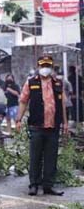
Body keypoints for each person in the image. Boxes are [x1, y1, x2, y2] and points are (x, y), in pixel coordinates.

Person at [15, 55, 69, 196]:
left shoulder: (58, 83)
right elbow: (23, 101)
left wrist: (65, 123)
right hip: (36, 126)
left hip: (53, 126)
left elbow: (62, 104)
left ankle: (48, 186)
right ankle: (34, 184)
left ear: (51, 67)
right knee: (35, 157)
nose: (45, 68)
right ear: (38, 66)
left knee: (51, 157)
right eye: (43, 65)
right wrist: (18, 119)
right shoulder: (31, 82)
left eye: (48, 65)